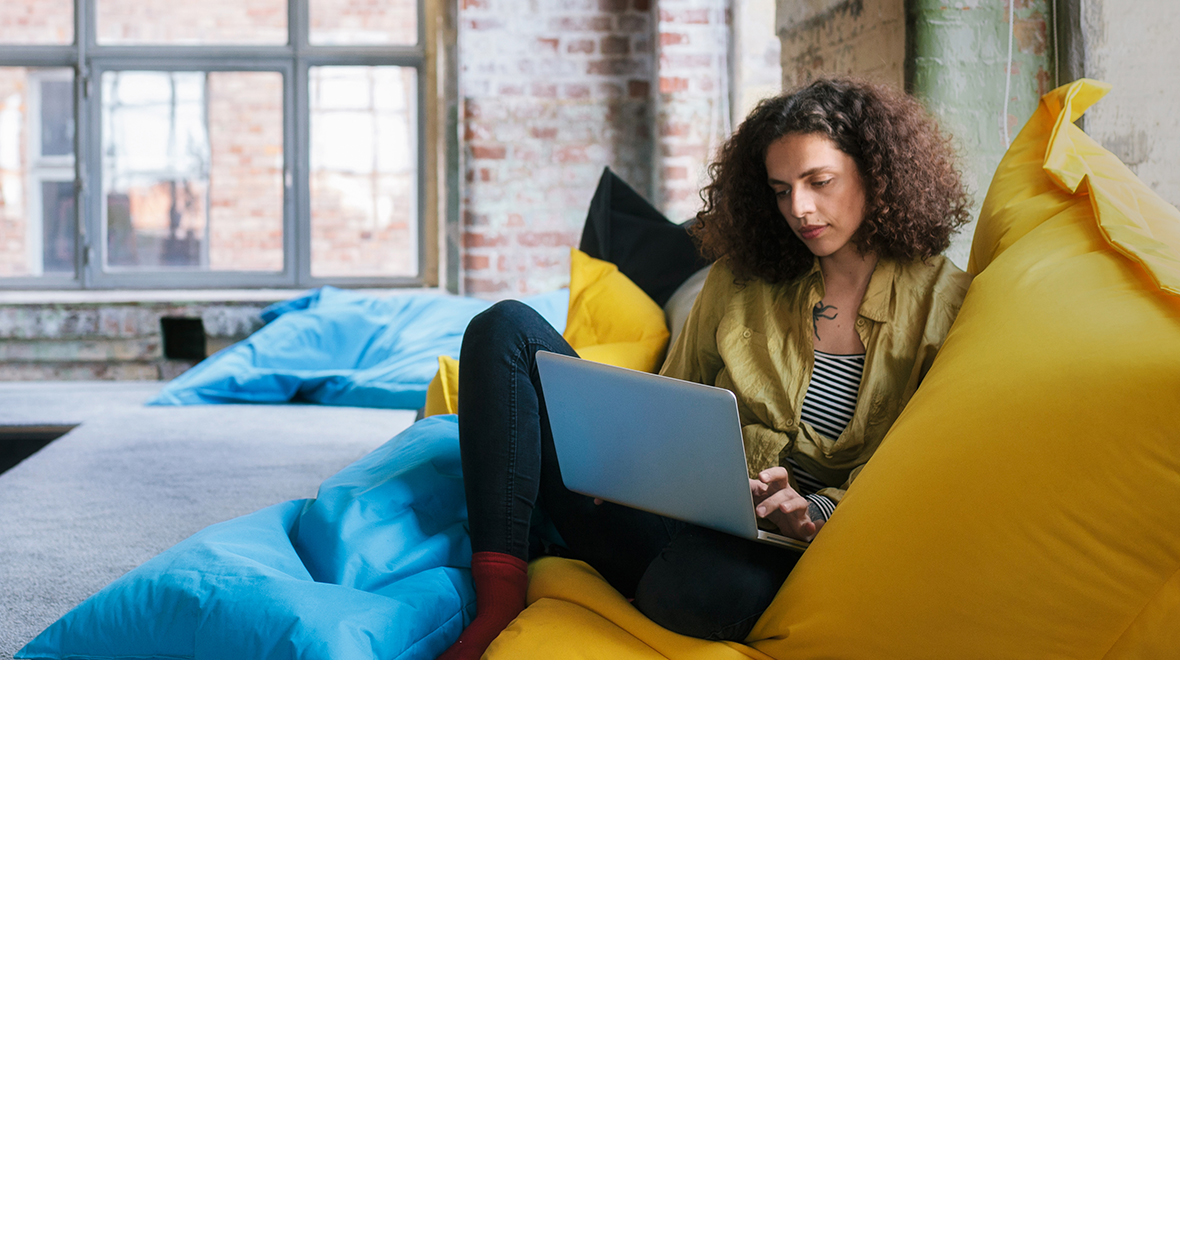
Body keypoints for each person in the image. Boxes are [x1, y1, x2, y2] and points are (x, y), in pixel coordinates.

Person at [439, 77, 972, 659]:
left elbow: (920, 470)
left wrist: (816, 509)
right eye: (780, 190)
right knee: (504, 327)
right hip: (674, 513)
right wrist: (624, 466)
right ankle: (497, 601)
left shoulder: (943, 304)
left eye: (819, 182)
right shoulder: (738, 278)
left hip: (787, 549)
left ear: (875, 171)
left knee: (700, 591)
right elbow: (670, 399)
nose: (799, 209)